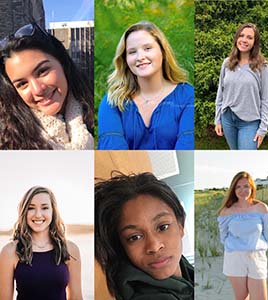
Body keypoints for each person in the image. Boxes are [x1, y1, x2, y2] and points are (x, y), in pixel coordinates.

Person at [95, 172, 194, 300]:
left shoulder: (180, 263)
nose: (154, 246)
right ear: (122, 245)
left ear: (180, 226)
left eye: (162, 227)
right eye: (134, 237)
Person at [98, 21, 194, 150]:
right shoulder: (112, 102)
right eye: (132, 52)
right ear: (125, 59)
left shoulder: (187, 96)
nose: (140, 57)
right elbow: (114, 150)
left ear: (163, 51)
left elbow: (186, 148)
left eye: (147, 48)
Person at [0, 22, 94, 150]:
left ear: (63, 64)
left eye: (42, 71)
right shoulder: (9, 141)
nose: (37, 89)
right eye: (22, 84)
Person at [0, 186, 83, 300]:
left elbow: (76, 297)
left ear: (53, 211)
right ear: (24, 212)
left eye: (44, 208)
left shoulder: (70, 249)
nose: (38, 214)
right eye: (31, 208)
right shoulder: (9, 252)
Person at [215, 23, 268, 150]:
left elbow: (266, 100)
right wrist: (218, 119)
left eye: (249, 37)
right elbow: (221, 92)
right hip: (227, 118)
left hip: (249, 123)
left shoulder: (263, 67)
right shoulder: (227, 63)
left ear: (255, 42)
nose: (244, 40)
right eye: (241, 36)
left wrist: (262, 129)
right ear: (236, 39)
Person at [218, 171, 268, 300]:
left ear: (252, 187)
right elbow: (223, 236)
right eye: (238, 187)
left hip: (256, 257)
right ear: (233, 190)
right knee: (242, 298)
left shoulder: (262, 208)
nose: (242, 190)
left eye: (246, 186)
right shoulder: (227, 212)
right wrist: (237, 247)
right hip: (235, 258)